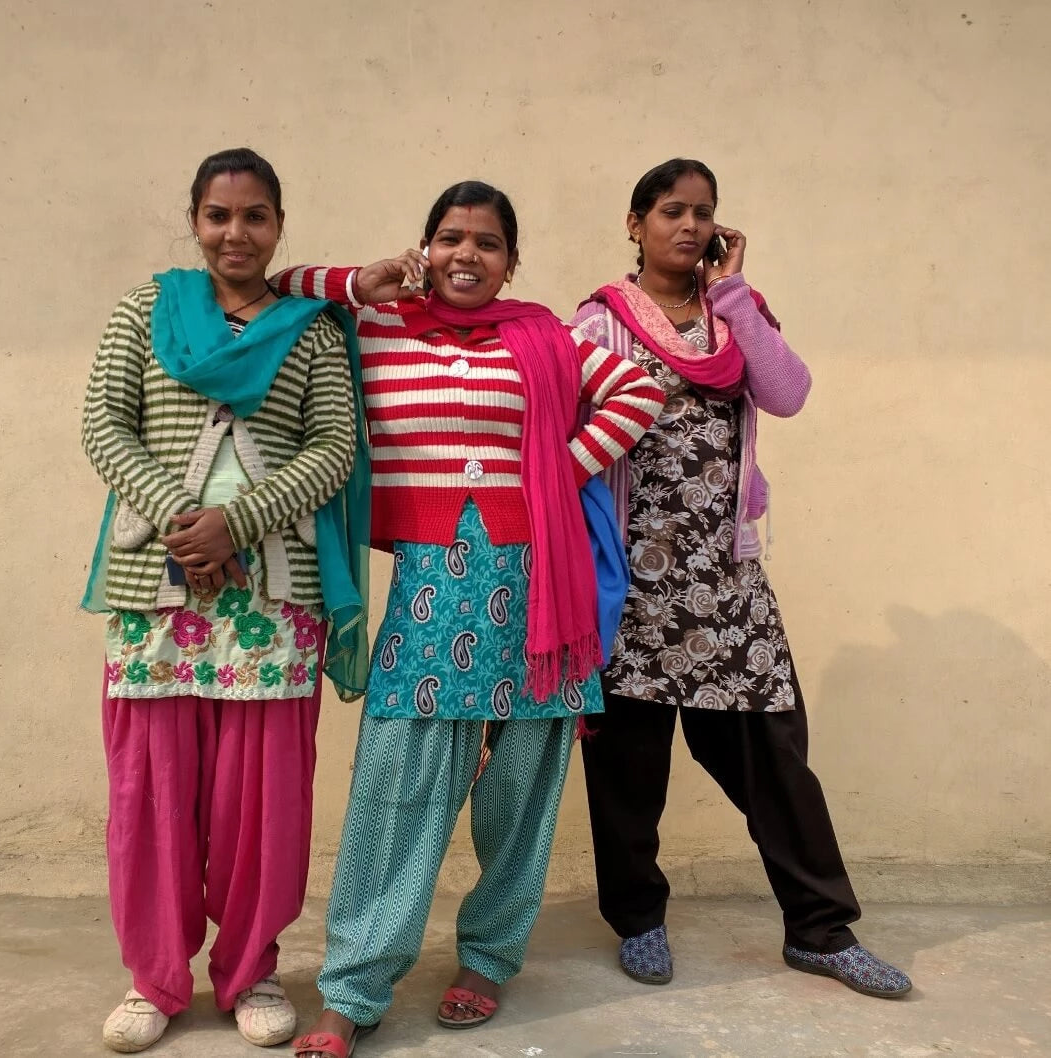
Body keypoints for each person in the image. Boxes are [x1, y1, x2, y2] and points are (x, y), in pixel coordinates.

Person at [275, 181, 665, 1058]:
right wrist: (362, 280)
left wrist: (554, 476)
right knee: (395, 786)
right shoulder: (376, 327)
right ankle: (353, 988)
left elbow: (638, 393)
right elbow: (281, 288)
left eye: (488, 243)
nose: (468, 255)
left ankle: (488, 959)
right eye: (451, 237)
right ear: (426, 247)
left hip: (538, 585)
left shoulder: (544, 336)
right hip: (429, 585)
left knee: (521, 791)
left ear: (511, 262)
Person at [570, 158, 912, 999]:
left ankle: (820, 931)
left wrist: (732, 294)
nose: (689, 226)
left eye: (703, 213)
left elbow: (787, 394)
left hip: (726, 583)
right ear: (635, 223)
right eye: (671, 210)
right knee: (627, 768)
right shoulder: (597, 323)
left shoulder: (735, 317)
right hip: (634, 584)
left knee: (776, 760)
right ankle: (639, 920)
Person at [79, 147, 369, 1053]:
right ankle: (155, 977)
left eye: (254, 216)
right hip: (155, 588)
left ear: (278, 225)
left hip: (272, 593)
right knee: (152, 790)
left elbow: (334, 446)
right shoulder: (145, 310)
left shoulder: (313, 332)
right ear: (195, 221)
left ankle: (251, 972)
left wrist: (235, 525)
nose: (235, 233)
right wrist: (184, 525)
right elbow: (103, 424)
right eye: (218, 215)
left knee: (260, 799)